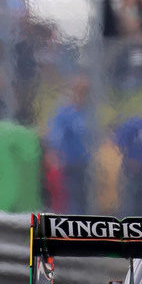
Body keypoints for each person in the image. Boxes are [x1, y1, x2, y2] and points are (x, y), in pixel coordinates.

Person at [46, 77, 93, 213]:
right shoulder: (65, 113)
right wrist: (55, 155)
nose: (82, 95)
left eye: (85, 92)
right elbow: (55, 137)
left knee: (82, 199)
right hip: (69, 164)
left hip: (84, 163)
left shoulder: (87, 113)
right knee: (71, 200)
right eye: (80, 91)